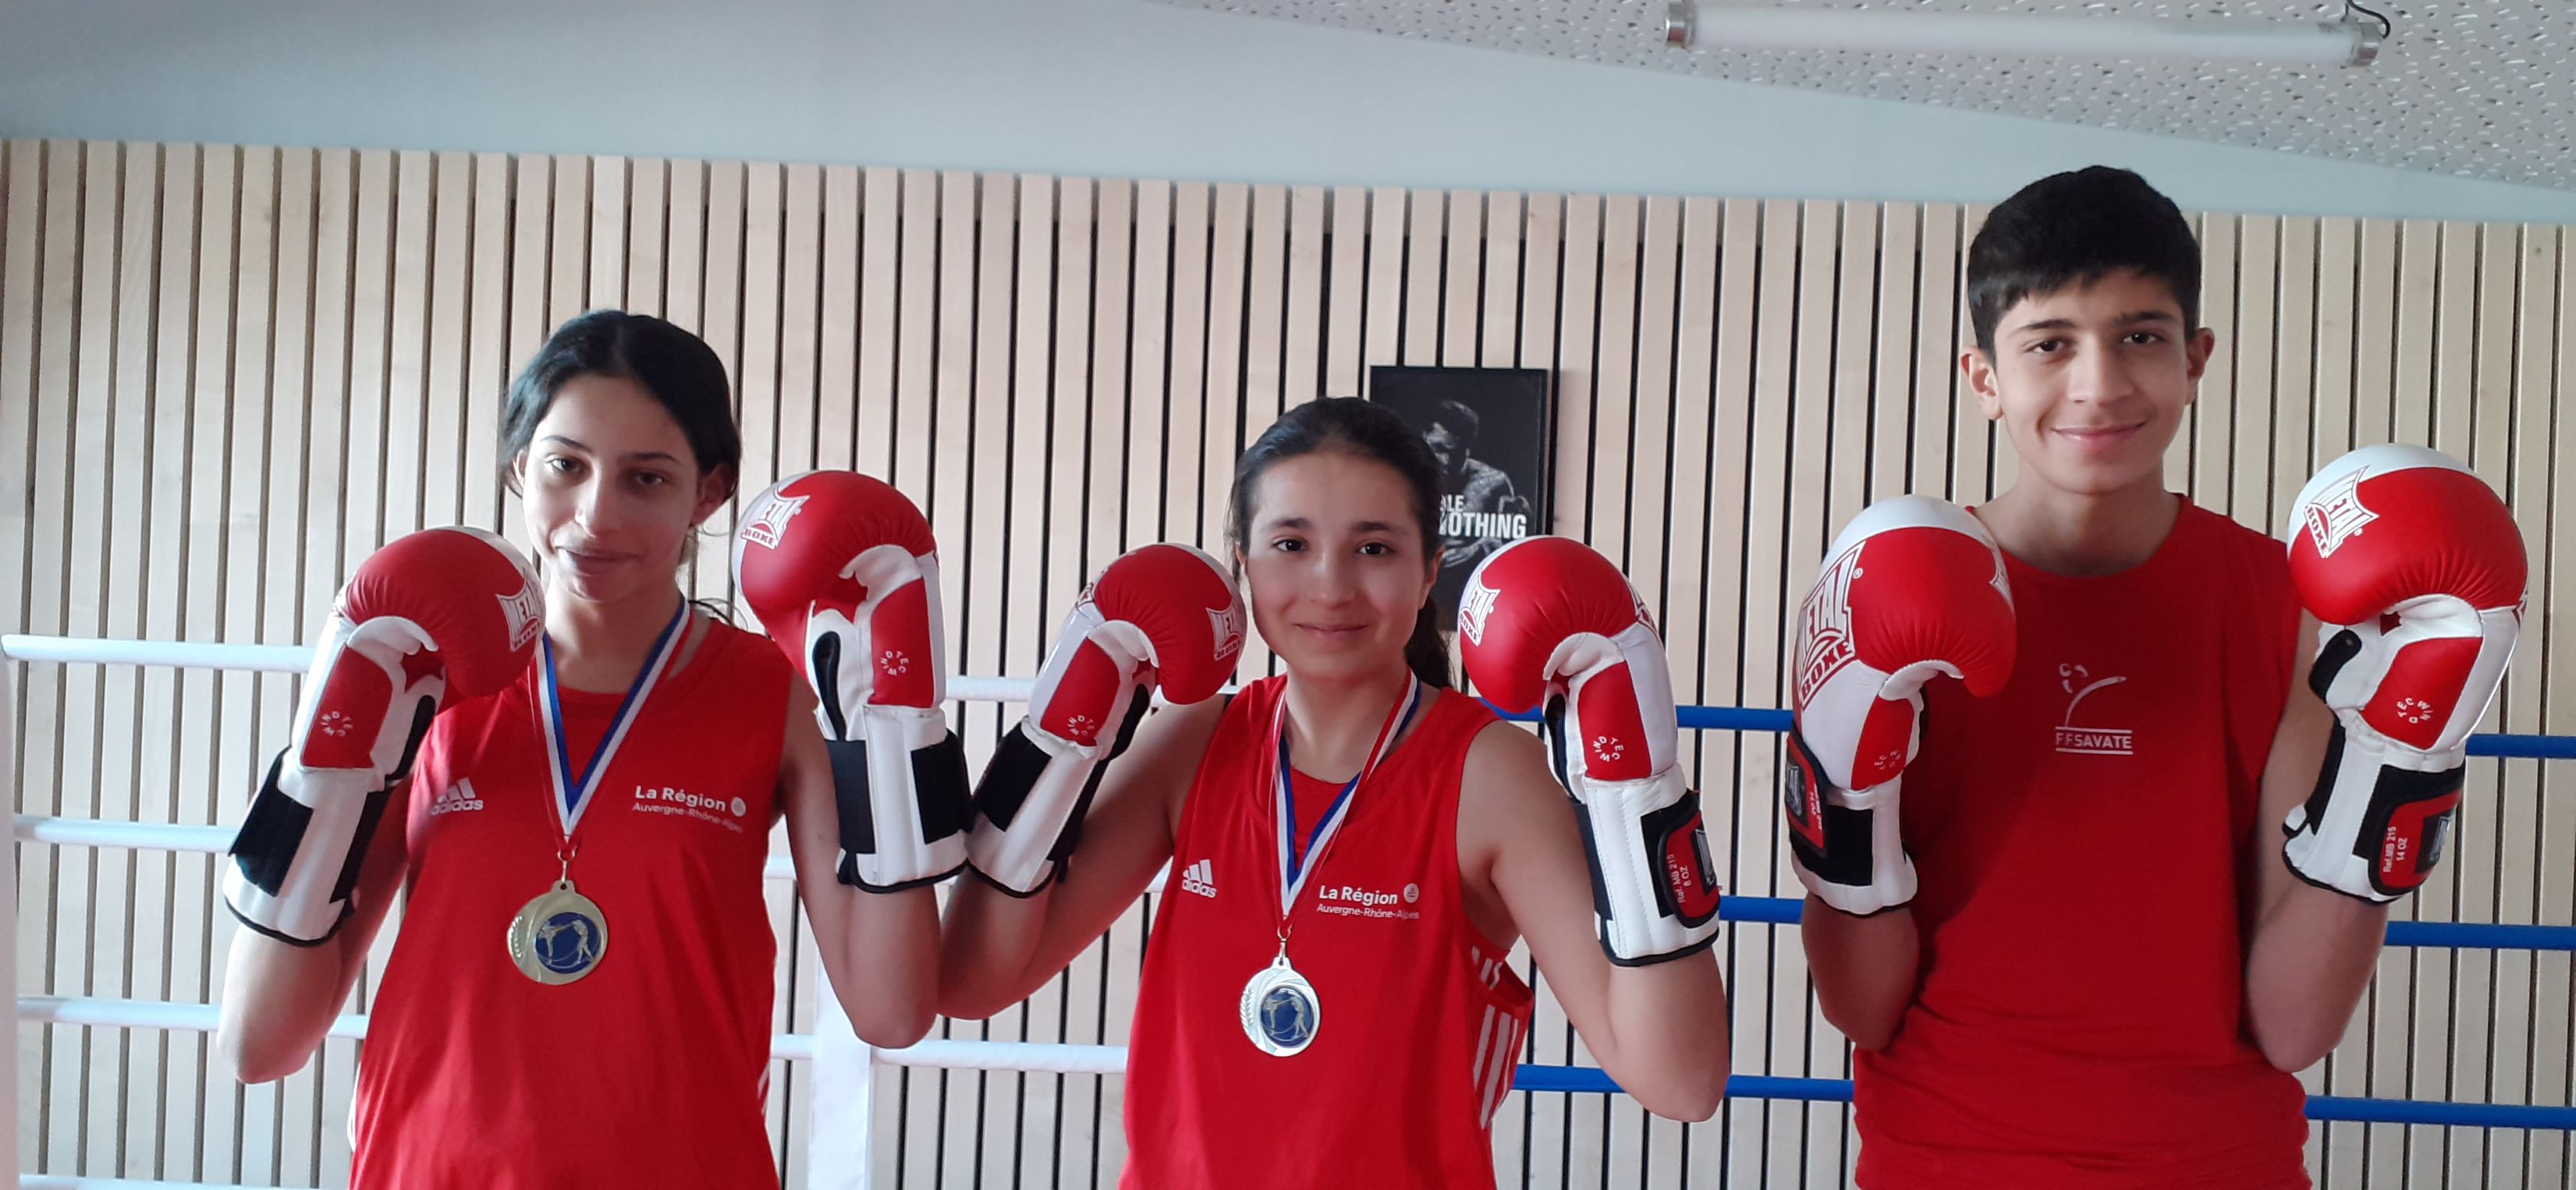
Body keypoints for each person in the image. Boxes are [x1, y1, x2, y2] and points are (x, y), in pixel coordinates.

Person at [1782, 166, 2525, 1186]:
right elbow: (1859, 1007)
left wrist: (2404, 756)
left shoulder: (2287, 604)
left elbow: (2293, 1021)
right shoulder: (1895, 606)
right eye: (2049, 343)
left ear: (2193, 361)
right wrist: (1841, 790)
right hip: (1941, 1162)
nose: (2098, 382)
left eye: (2139, 335)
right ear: (1982, 377)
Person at [213, 310, 943, 1188]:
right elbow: (259, 1041)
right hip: (430, 1168)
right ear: (520, 465)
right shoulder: (425, 681)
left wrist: (893, 725)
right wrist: (321, 755)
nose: (595, 514)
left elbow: (891, 1009)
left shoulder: (771, 692)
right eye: (566, 465)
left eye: (646, 477)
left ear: (707, 493)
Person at [938, 397, 1730, 1188]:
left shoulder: (1485, 773)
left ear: (1428, 570)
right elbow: (973, 978)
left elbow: (1680, 1081)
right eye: (1290, 542)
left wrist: (1636, 781)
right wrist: (1061, 731)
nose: (1329, 585)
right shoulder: (1196, 744)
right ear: (1242, 562)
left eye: (1374, 547)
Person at [1421, 398, 1533, 615]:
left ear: (1468, 449)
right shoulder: (1406, 481)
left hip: (1473, 599)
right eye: (1437, 448)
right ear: (1424, 439)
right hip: (1417, 598)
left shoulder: (1493, 482)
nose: (1444, 460)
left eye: (1453, 452)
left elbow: (1508, 551)